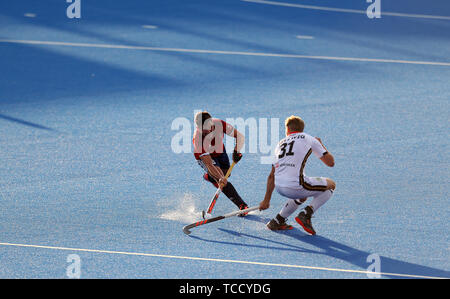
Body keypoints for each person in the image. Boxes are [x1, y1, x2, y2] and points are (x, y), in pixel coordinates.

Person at [259, 115, 336, 235]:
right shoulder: (308, 138)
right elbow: (330, 163)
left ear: (287, 130)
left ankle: (278, 220)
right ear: (301, 129)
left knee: (302, 194)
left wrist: (266, 200)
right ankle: (306, 213)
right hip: (295, 186)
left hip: (279, 187)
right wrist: (321, 144)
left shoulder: (280, 144)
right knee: (331, 185)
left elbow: (271, 176)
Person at [193, 111, 249, 214]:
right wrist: (219, 178)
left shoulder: (219, 124)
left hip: (220, 151)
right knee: (223, 181)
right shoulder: (198, 139)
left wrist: (237, 150)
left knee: (226, 173)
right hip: (206, 158)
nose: (206, 131)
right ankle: (242, 205)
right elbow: (209, 163)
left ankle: (209, 176)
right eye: (203, 130)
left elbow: (239, 136)